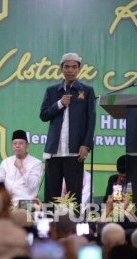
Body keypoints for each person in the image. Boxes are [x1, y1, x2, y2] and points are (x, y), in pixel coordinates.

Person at [40, 52, 96, 206]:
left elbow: (91, 121)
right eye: (67, 67)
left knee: (73, 196)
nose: (70, 70)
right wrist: (59, 104)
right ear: (61, 69)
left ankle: (74, 227)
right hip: (54, 150)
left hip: (75, 151)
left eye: (74, 67)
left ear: (79, 69)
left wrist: (86, 145)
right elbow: (43, 115)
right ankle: (49, 227)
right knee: (51, 196)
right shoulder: (52, 91)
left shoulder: (87, 90)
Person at [0, 130, 43, 205]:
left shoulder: (36, 163)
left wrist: (21, 168)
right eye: (15, 143)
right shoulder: (6, 162)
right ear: (12, 145)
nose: (17, 146)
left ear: (27, 145)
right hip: (7, 202)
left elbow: (33, 185)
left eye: (21, 143)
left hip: (26, 202)